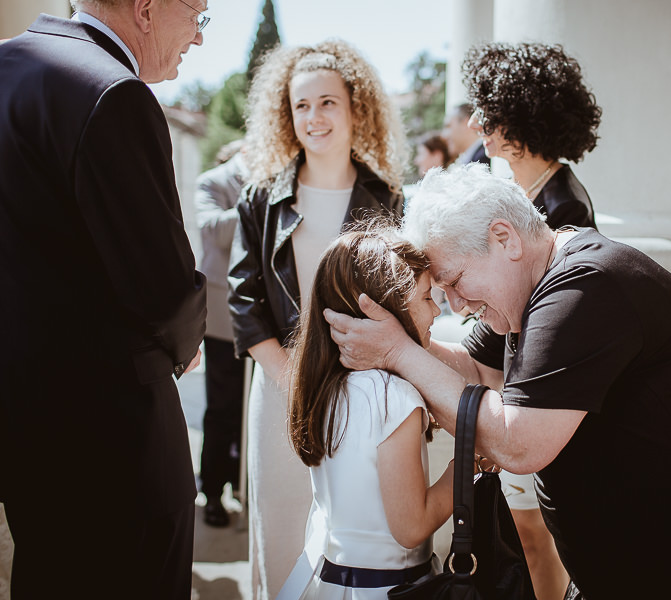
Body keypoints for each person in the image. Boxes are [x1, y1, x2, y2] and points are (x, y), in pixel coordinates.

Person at [324, 164, 671, 599]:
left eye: (455, 283)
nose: (456, 306)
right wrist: (397, 336)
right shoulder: (520, 297)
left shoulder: (585, 287)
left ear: (504, 239)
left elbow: (518, 444)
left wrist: (396, 351)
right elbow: (478, 374)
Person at [0, 1, 208, 598]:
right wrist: (185, 339)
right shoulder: (111, 91)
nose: (197, 37)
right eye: (197, 14)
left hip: (27, 430)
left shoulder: (9, 67)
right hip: (113, 446)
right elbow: (165, 288)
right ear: (146, 8)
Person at [228, 40, 406, 599]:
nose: (314, 117)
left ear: (357, 109)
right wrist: (292, 378)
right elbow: (244, 299)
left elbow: (405, 299)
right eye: (300, 106)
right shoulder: (261, 198)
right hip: (281, 388)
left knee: (357, 547)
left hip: (366, 392)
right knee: (281, 543)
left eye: (327, 102)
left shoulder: (389, 198)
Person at [460, 41, 603, 598]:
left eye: (490, 112)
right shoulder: (527, 189)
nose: (477, 123)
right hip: (518, 382)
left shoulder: (564, 206)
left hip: (537, 390)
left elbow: (525, 312)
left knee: (538, 536)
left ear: (525, 114)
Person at [275, 226, 448, 599]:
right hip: (390, 589)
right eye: (426, 297)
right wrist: (471, 465)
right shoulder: (393, 397)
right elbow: (411, 527)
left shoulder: (325, 387)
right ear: (386, 310)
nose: (435, 310)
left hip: (331, 584)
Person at [462, 42, 600, 231]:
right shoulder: (513, 185)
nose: (473, 124)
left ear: (523, 118)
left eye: (488, 113)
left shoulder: (567, 207)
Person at [195, 139, 249, 528]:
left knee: (250, 411)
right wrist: (256, 199)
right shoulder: (210, 183)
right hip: (220, 319)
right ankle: (212, 490)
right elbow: (213, 231)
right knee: (222, 407)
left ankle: (240, 482)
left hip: (261, 314)